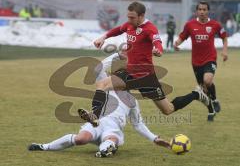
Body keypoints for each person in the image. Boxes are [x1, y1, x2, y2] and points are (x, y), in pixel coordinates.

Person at [79, 1, 210, 126]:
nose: (129, 20)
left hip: (146, 78)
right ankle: (95, 116)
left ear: (141, 16)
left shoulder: (150, 29)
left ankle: (196, 94)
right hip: (130, 72)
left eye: (132, 17)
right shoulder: (130, 24)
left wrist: (158, 49)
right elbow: (119, 29)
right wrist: (103, 37)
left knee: (168, 110)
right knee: (102, 84)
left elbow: (157, 42)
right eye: (128, 17)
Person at [28, 53, 170, 158]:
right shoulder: (105, 86)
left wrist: (154, 138)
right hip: (97, 124)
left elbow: (138, 125)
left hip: (113, 129)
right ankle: (44, 146)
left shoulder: (132, 101)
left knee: (111, 139)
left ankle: (105, 150)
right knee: (81, 139)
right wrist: (117, 55)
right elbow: (98, 68)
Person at [174, 1, 228, 121]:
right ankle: (211, 111)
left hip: (210, 59)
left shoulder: (215, 25)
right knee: (203, 90)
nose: (202, 12)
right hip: (196, 62)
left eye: (204, 10)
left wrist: (225, 51)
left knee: (207, 81)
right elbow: (183, 36)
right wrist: (177, 43)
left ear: (208, 11)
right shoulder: (190, 25)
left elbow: (224, 37)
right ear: (196, 11)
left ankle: (214, 99)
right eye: (200, 9)